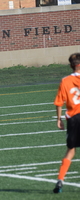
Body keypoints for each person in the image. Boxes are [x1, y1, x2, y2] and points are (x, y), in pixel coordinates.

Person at [53, 53, 80, 193]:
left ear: (71, 65)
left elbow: (59, 102)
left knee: (71, 150)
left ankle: (60, 180)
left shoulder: (65, 81)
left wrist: (59, 119)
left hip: (74, 118)